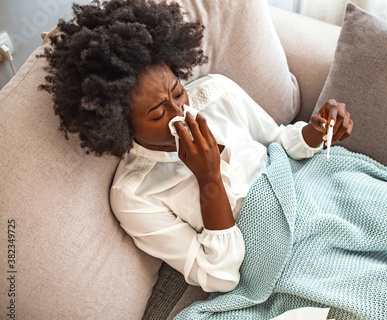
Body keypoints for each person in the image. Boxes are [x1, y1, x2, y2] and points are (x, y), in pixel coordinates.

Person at [40, 0, 353, 292]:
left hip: (313, 191)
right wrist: (209, 180)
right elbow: (219, 275)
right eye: (158, 113)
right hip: (281, 253)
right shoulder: (134, 196)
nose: (181, 113)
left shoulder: (217, 92)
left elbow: (280, 142)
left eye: (177, 92)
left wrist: (319, 130)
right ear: (120, 123)